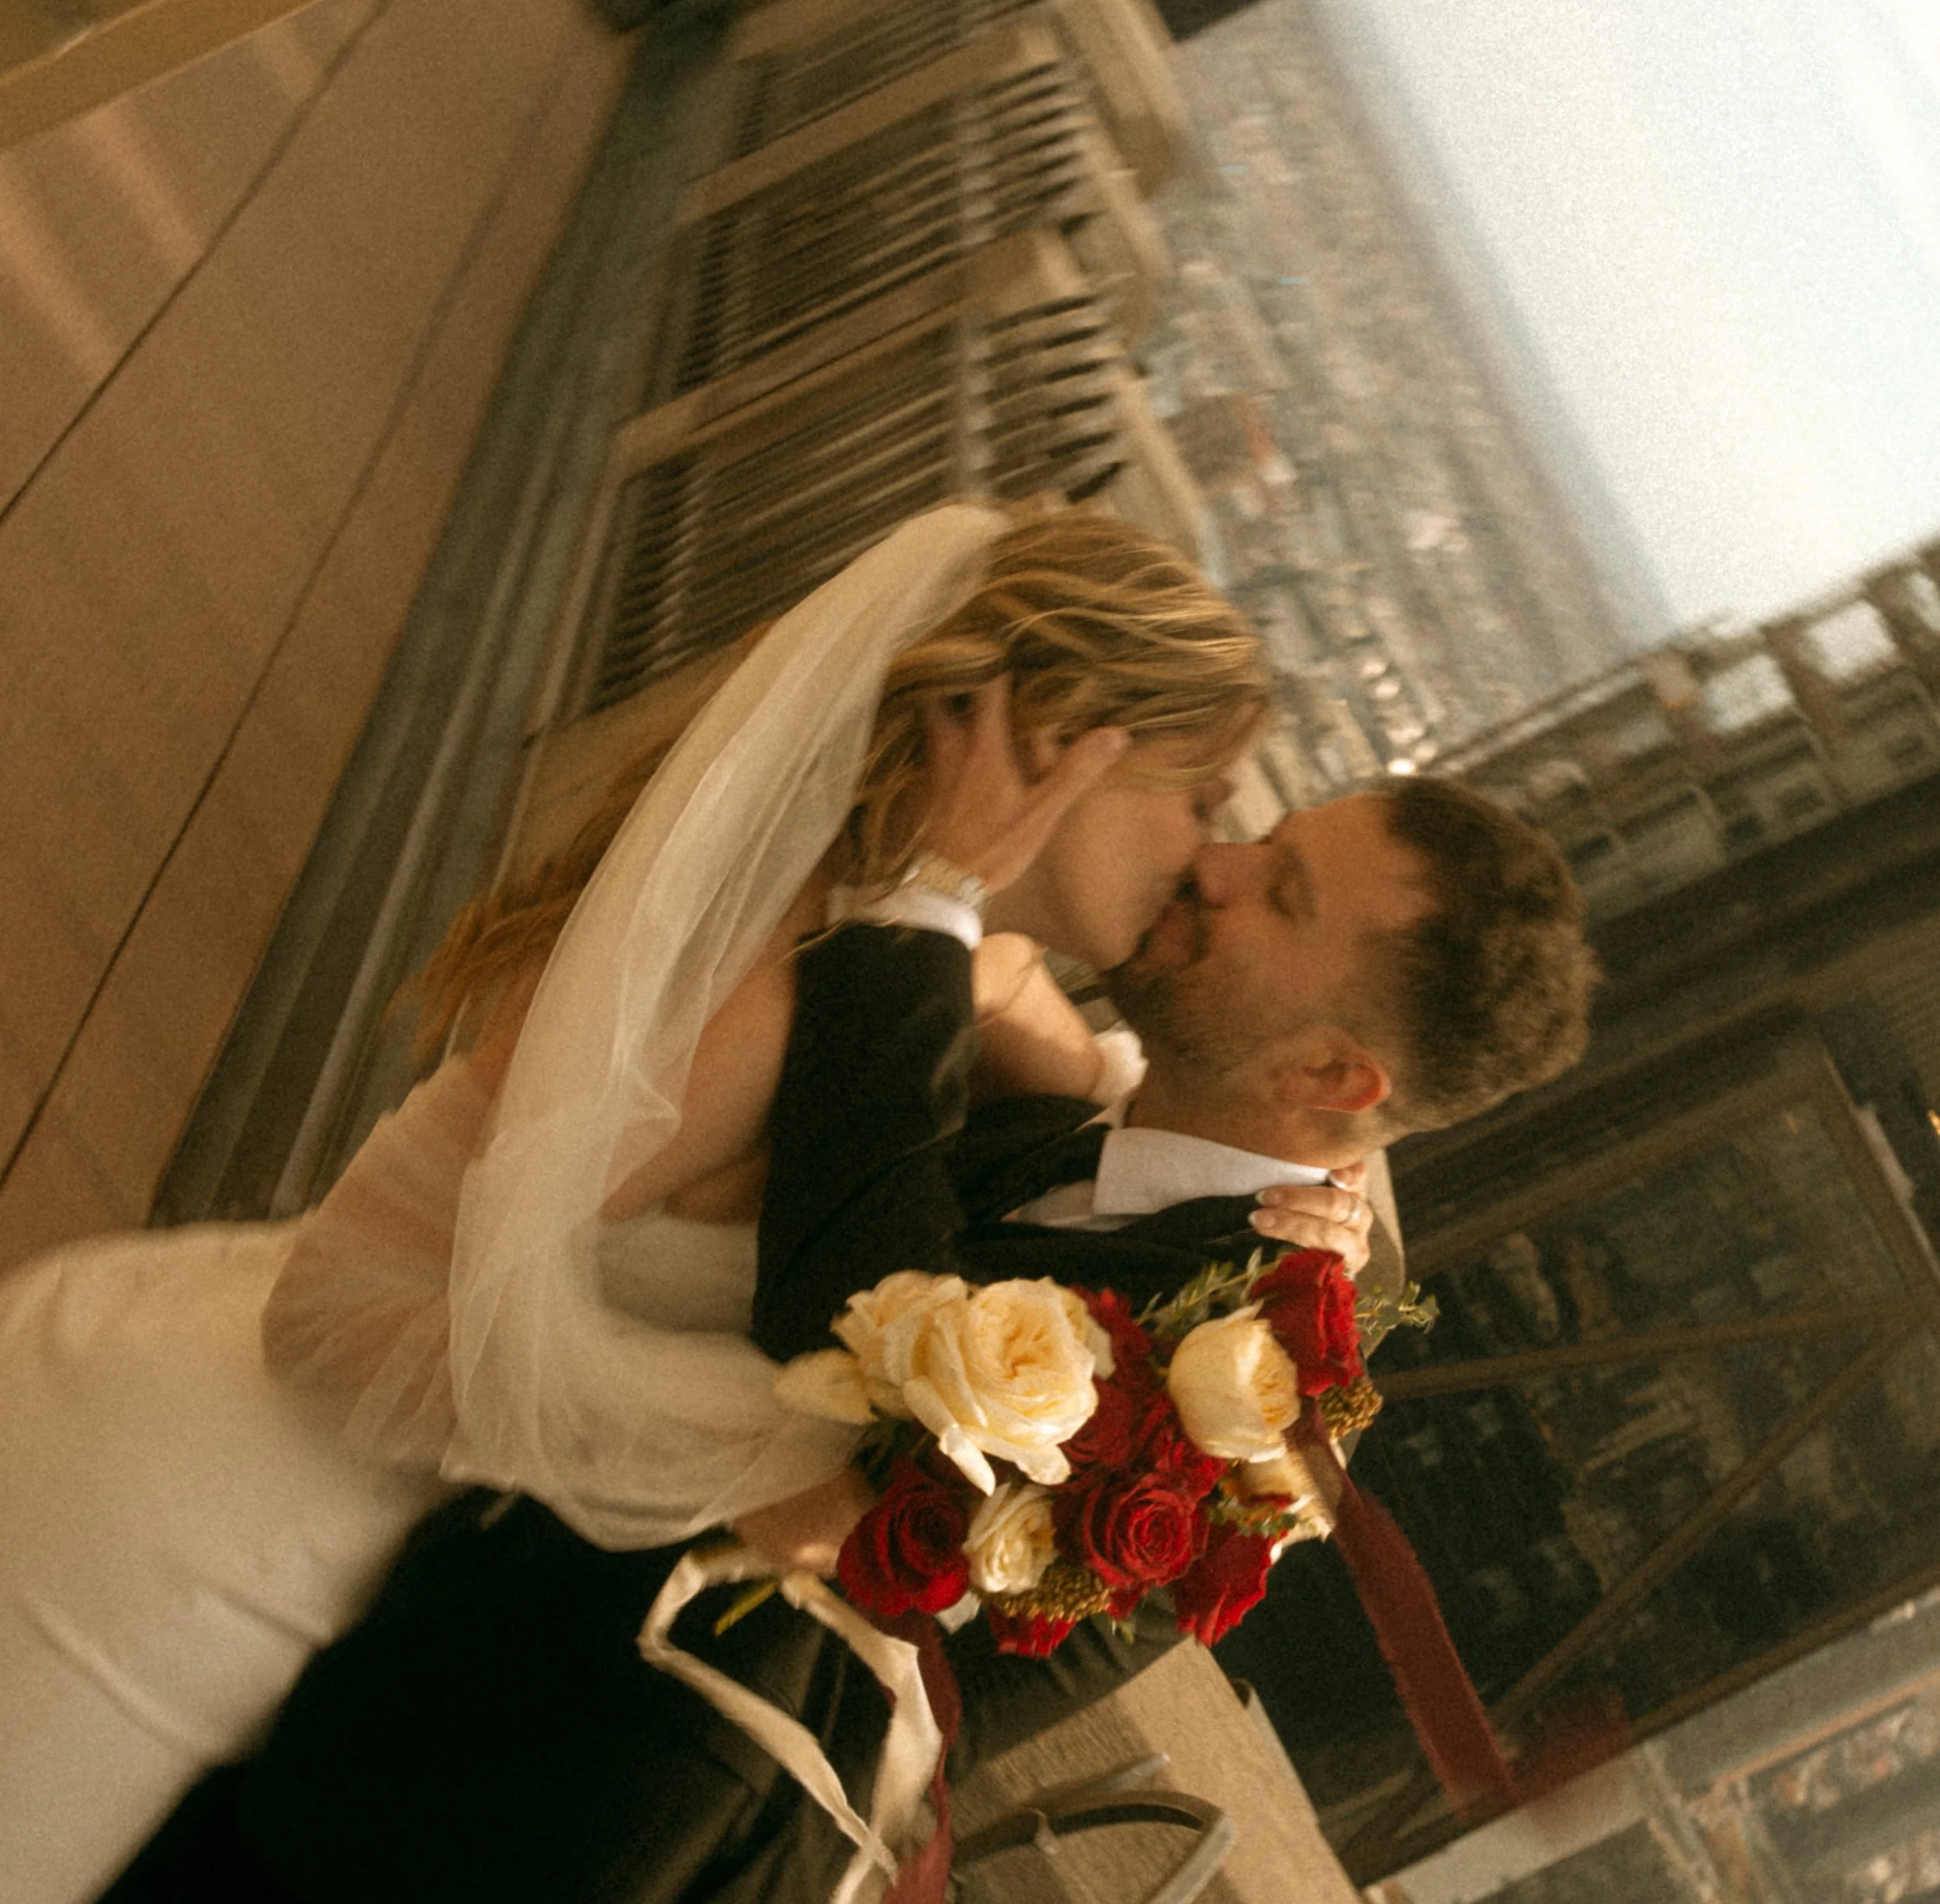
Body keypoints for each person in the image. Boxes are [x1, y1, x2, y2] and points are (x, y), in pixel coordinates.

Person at [0, 504, 1277, 1904]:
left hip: (288, 1517)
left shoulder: (911, 967)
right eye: (1199, 798)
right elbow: (337, 1310)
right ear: (1066, 743)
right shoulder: (783, 991)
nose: (1208, 855)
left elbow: (1028, 1032)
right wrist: (761, 1461)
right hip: (213, 1521)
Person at [113, 741, 1595, 1902]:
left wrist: (931, 888)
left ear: (1336, 1079)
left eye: (1280, 896)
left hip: (556, 1822)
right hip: (436, 1691)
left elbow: (855, 1343)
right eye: (1263, 839)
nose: (1214, 865)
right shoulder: (1110, 1148)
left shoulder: (1242, 1392)